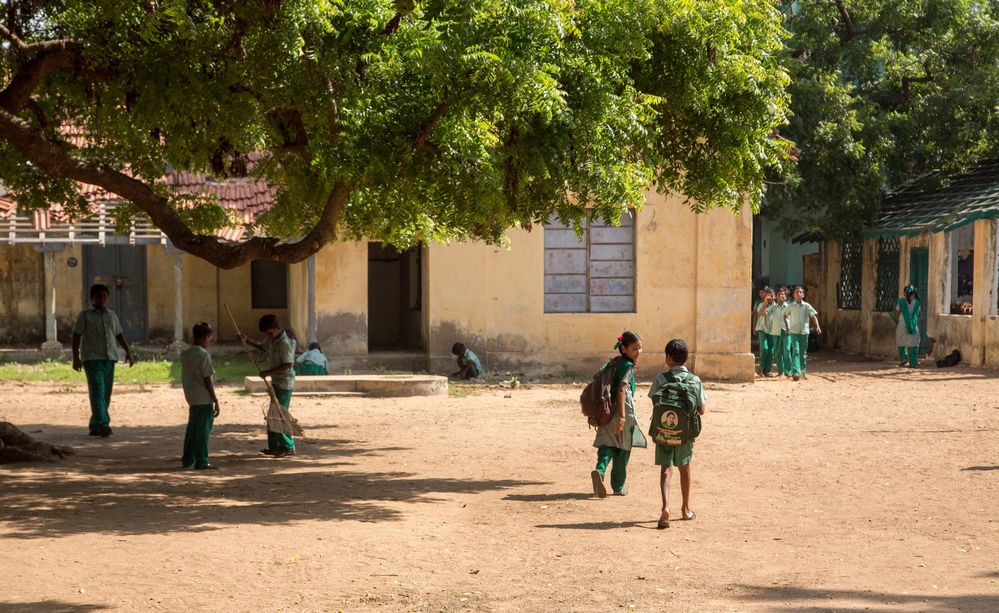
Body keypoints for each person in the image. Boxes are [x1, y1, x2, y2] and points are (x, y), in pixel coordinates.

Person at [650, 338, 706, 529]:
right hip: (685, 434)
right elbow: (701, 410)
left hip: (664, 432)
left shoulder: (660, 379)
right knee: (684, 467)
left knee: (666, 469)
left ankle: (665, 507)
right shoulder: (694, 381)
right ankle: (685, 509)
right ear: (685, 358)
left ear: (668, 358)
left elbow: (654, 402)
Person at [72, 283, 136, 437]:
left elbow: (119, 334)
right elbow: (76, 335)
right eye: (99, 297)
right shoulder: (85, 315)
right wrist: (76, 357)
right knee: (97, 391)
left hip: (110, 359)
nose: (102, 299)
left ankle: (95, 425)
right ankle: (103, 424)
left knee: (105, 393)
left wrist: (129, 352)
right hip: (92, 359)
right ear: (91, 298)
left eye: (105, 297)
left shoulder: (112, 315)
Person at [591, 331, 648, 498]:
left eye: (640, 348)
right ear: (623, 349)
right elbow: (622, 390)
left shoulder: (613, 363)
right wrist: (622, 417)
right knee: (623, 449)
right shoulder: (627, 366)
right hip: (622, 411)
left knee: (607, 444)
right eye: (634, 349)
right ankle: (618, 486)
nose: (638, 352)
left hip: (606, 410)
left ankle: (599, 471)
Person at [240, 314, 296, 457]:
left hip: (284, 383)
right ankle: (275, 446)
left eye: (270, 333)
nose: (268, 336)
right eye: (266, 334)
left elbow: (288, 364)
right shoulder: (273, 339)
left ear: (278, 328)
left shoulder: (284, 343)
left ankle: (288, 446)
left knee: (279, 414)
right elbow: (262, 347)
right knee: (273, 415)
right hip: (276, 382)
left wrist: (269, 372)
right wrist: (247, 340)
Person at [180, 322, 221, 469]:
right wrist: (215, 400)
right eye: (210, 338)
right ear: (204, 338)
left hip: (191, 397)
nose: (210, 341)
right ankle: (202, 461)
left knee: (192, 429)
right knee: (203, 430)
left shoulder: (186, 354)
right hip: (204, 398)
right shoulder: (204, 355)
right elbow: (207, 380)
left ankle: (187, 459)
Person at [785, 286, 821, 381]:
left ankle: (802, 370)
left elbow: (813, 317)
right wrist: (787, 326)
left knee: (803, 352)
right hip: (794, 331)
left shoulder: (807, 306)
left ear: (803, 295)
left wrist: (817, 326)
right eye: (796, 292)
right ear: (793, 295)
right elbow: (785, 315)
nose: (798, 294)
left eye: (800, 292)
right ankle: (796, 372)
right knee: (796, 351)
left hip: (804, 332)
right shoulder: (791, 306)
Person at [894, 285, 921, 368]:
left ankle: (903, 359)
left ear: (904, 293)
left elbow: (897, 313)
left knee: (900, 340)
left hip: (902, 323)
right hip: (912, 324)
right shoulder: (917, 302)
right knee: (912, 342)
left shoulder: (901, 302)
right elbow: (917, 314)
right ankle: (913, 363)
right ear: (913, 294)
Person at [755, 287, 775, 376]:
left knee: (771, 350)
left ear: (774, 296)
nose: (769, 297)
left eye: (771, 295)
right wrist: (765, 303)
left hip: (772, 330)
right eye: (767, 296)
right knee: (764, 348)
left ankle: (767, 370)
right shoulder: (761, 304)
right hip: (762, 329)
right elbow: (760, 313)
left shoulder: (776, 306)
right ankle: (761, 367)